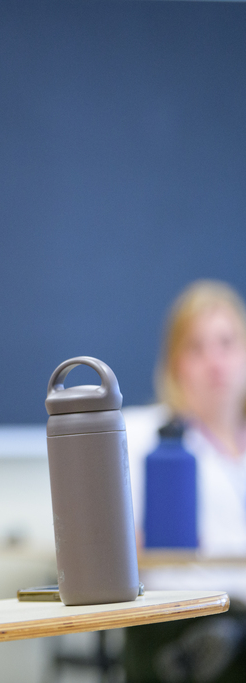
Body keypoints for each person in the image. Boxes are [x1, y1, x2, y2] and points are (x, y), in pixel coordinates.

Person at [123, 279, 246, 682]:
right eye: (197, 347)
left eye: (227, 343)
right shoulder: (144, 436)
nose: (215, 361)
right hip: (181, 621)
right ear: (175, 362)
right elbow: (120, 548)